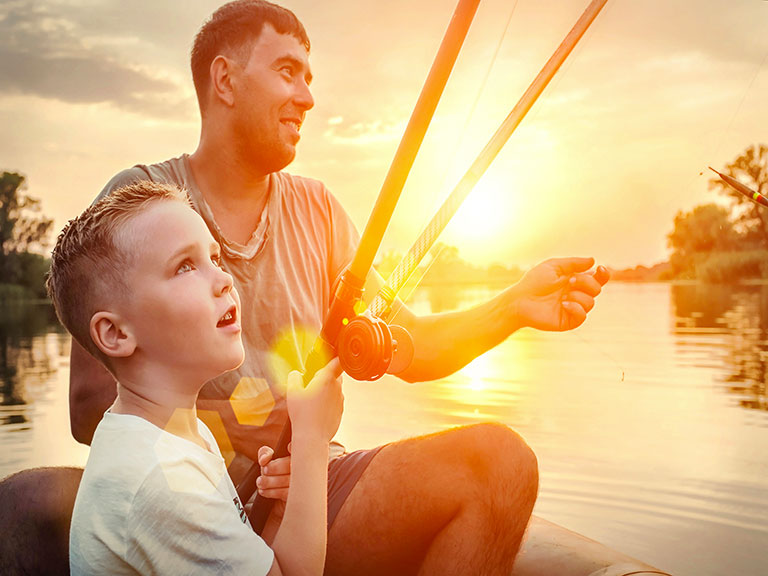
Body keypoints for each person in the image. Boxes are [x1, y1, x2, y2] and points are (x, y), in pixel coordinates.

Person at [8, 1, 608, 574]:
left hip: (308, 488)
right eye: (288, 71)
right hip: (203, 491)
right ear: (226, 79)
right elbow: (91, 409)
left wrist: (513, 307)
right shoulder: (143, 208)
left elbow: (412, 342)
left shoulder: (319, 209)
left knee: (499, 461)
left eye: (310, 77)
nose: (308, 97)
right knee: (26, 499)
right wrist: (252, 425)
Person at [47, 180, 344, 575]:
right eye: (185, 266)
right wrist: (312, 442)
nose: (224, 280)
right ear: (116, 334)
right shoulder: (158, 479)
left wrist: (282, 510)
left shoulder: (175, 435)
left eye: (216, 258)